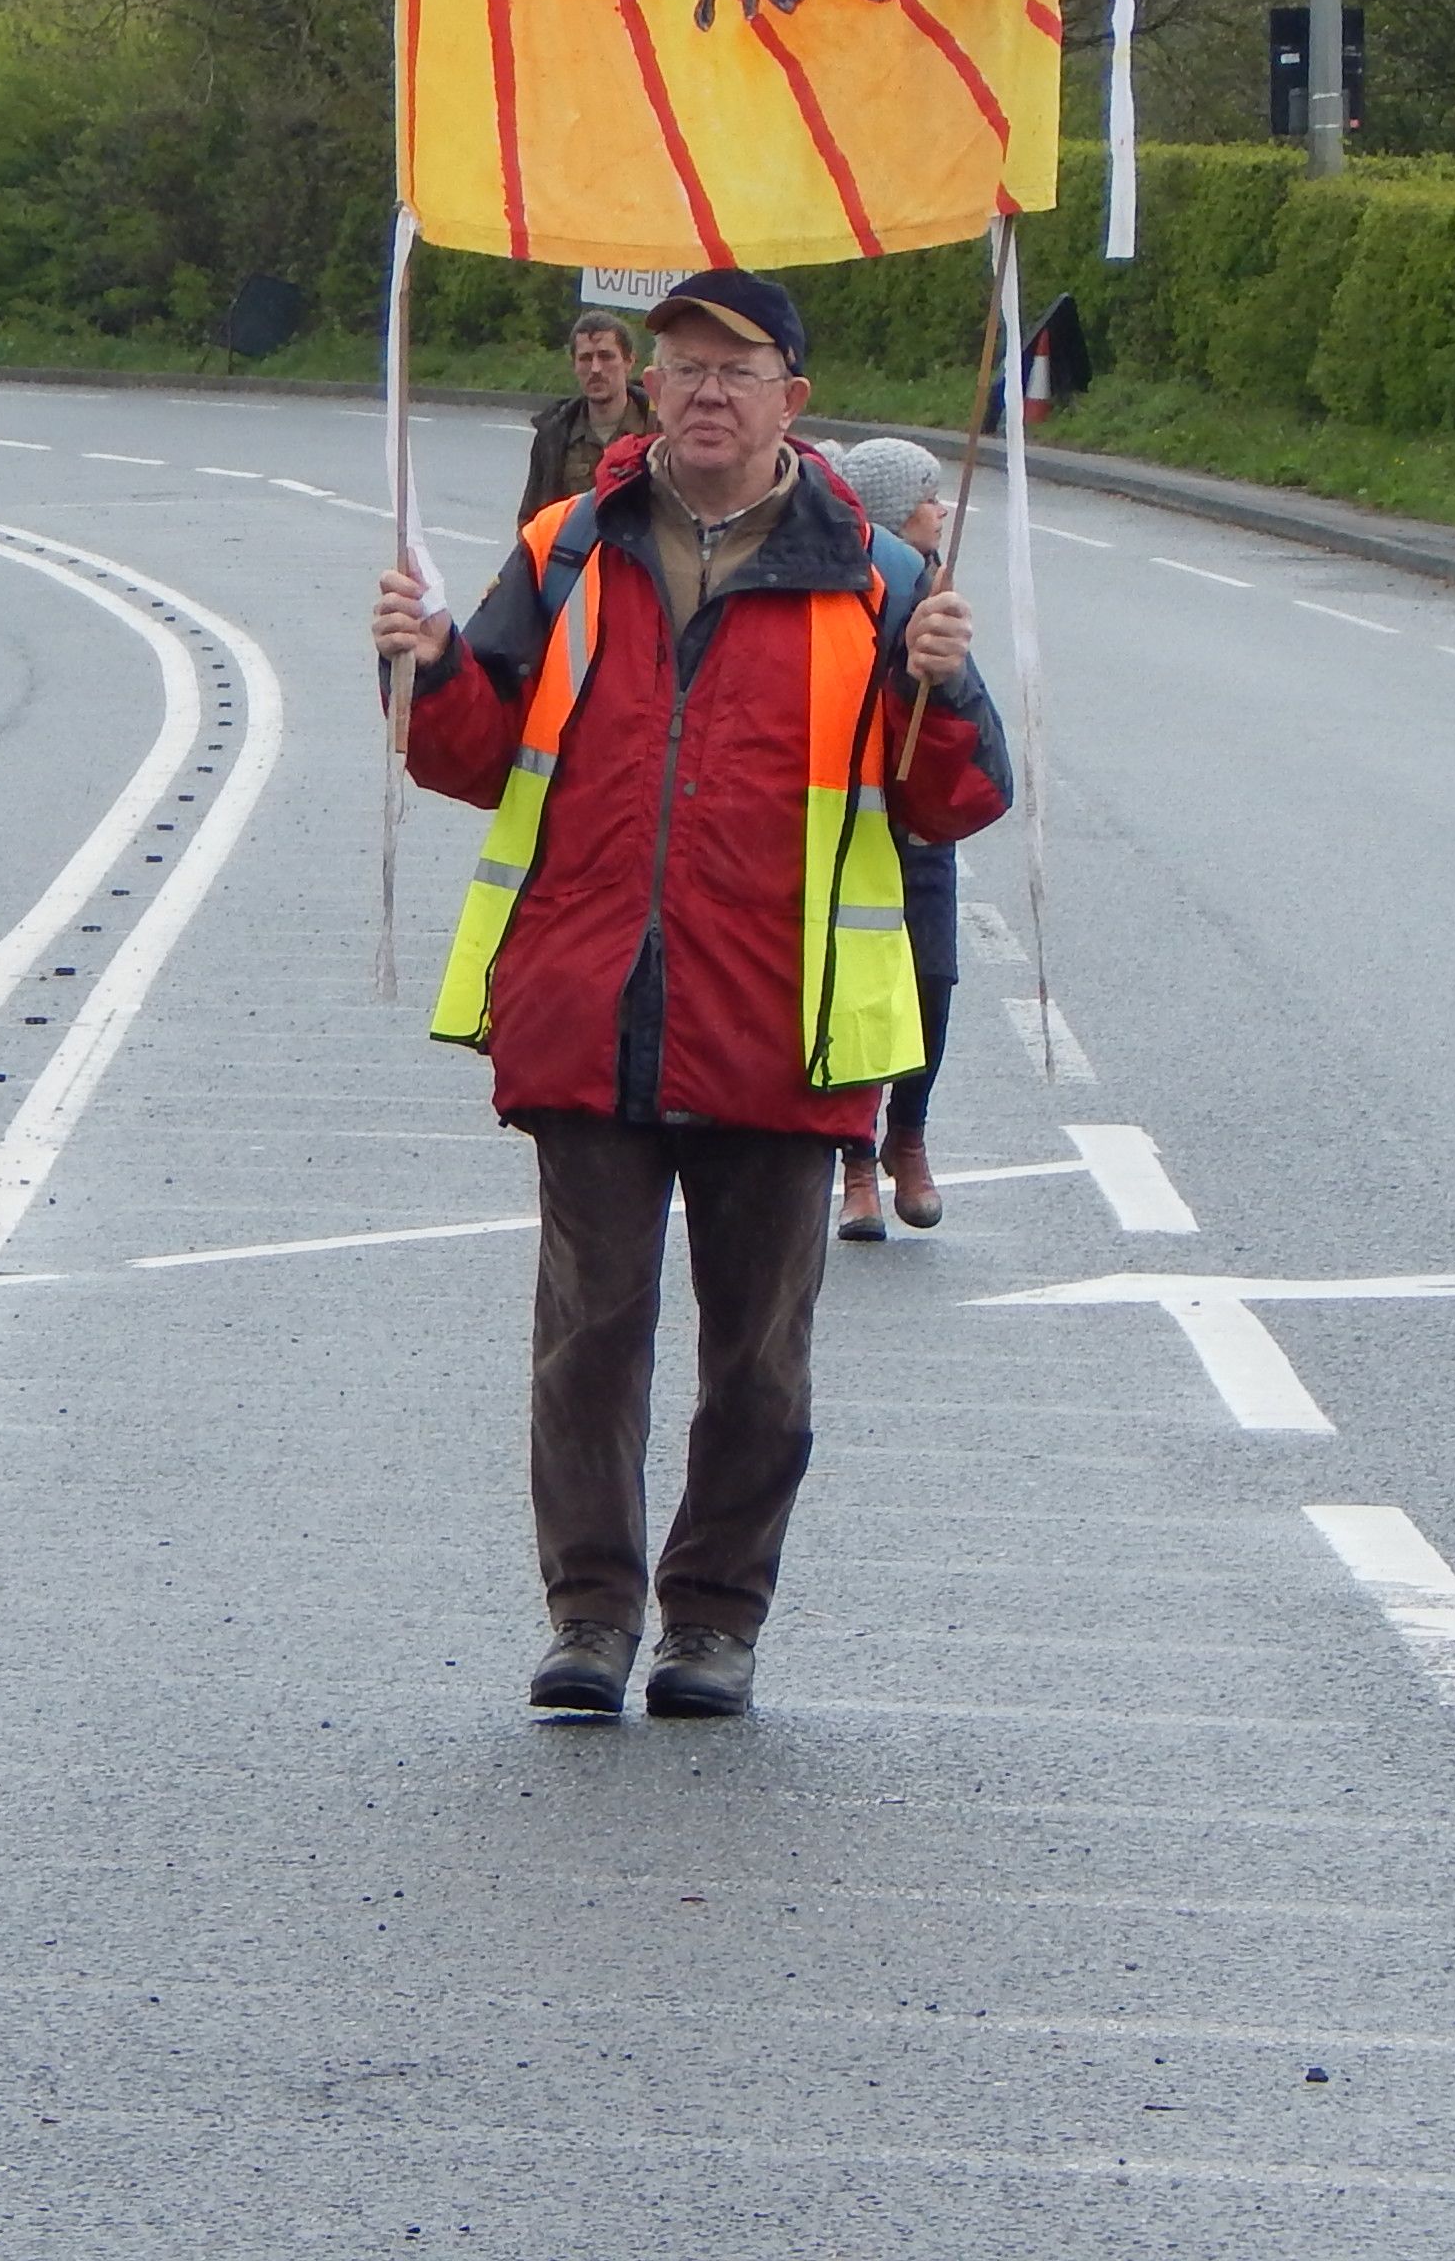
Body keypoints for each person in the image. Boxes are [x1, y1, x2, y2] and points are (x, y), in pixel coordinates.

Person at [375, 270, 1012, 1722]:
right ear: (646, 389)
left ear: (794, 399)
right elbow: (473, 756)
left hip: (781, 1030)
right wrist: (418, 669)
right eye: (681, 367)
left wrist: (949, 696)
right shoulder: (566, 548)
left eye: (736, 370)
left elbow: (948, 805)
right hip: (590, 1007)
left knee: (759, 1362)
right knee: (588, 1335)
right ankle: (590, 1617)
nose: (704, 392)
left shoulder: (881, 580)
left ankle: (713, 1623)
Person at [817, 436, 959, 1245]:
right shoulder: (864, 583)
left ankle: (909, 1135)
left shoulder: (934, 586)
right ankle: (856, 1165)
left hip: (920, 822)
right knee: (860, 987)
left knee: (932, 980)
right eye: (926, 496)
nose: (939, 510)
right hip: (856, 818)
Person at [518, 308, 657, 519]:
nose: (595, 368)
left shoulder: (658, 428)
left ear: (629, 361)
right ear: (574, 365)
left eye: (606, 356)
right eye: (585, 358)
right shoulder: (554, 436)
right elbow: (532, 521)